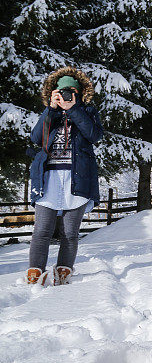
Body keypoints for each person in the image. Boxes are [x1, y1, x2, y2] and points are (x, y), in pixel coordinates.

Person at [27, 67, 103, 285]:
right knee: (42, 230)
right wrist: (51, 110)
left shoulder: (87, 112)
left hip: (77, 178)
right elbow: (36, 137)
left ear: (79, 93)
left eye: (71, 92)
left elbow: (93, 135)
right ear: (54, 94)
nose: (66, 95)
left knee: (70, 232)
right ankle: (35, 273)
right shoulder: (50, 113)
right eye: (61, 92)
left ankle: (64, 270)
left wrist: (74, 109)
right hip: (48, 179)